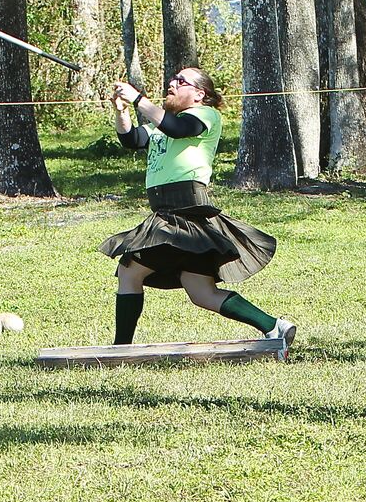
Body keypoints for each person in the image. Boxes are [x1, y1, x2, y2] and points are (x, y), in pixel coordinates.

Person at [100, 68, 296, 350]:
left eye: (181, 81)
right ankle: (274, 326)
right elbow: (132, 140)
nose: (172, 83)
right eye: (172, 79)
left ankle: (120, 349)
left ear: (199, 94)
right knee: (202, 293)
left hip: (184, 212)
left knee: (130, 271)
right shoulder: (163, 124)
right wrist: (122, 111)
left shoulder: (204, 115)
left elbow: (180, 130)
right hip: (170, 212)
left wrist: (138, 98)